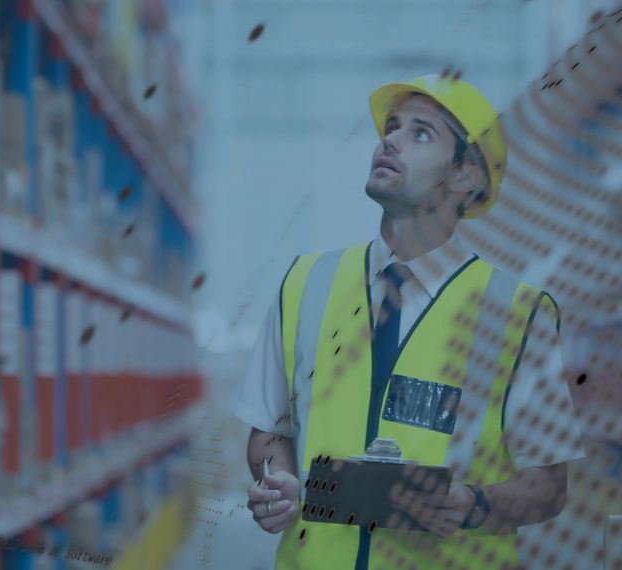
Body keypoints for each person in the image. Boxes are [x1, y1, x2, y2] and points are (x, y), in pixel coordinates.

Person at [234, 74, 585, 570]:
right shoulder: (304, 284)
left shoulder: (519, 315)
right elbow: (269, 428)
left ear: (467, 176)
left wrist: (474, 506)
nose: (390, 139)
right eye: (392, 127)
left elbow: (548, 487)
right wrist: (279, 481)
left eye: (421, 133)